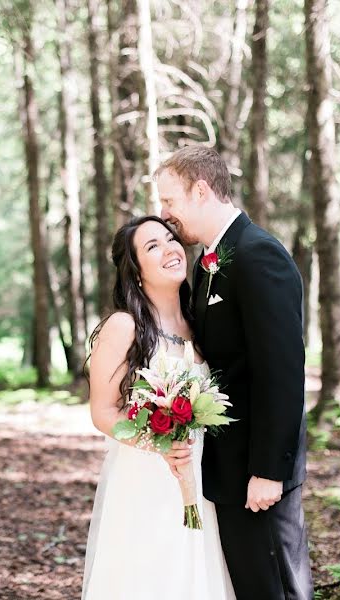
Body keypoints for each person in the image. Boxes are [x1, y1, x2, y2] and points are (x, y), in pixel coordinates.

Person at [157, 145, 313, 599]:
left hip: (257, 471)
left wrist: (268, 470)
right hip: (229, 467)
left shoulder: (257, 254)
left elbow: (281, 371)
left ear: (200, 190)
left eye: (170, 201)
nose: (164, 213)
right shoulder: (211, 261)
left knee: (276, 589)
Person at [82, 215, 234, 600]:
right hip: (145, 479)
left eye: (170, 239)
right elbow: (103, 412)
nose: (169, 249)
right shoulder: (124, 326)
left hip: (198, 476)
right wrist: (159, 445)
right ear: (135, 272)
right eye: (153, 246)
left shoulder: (198, 321)